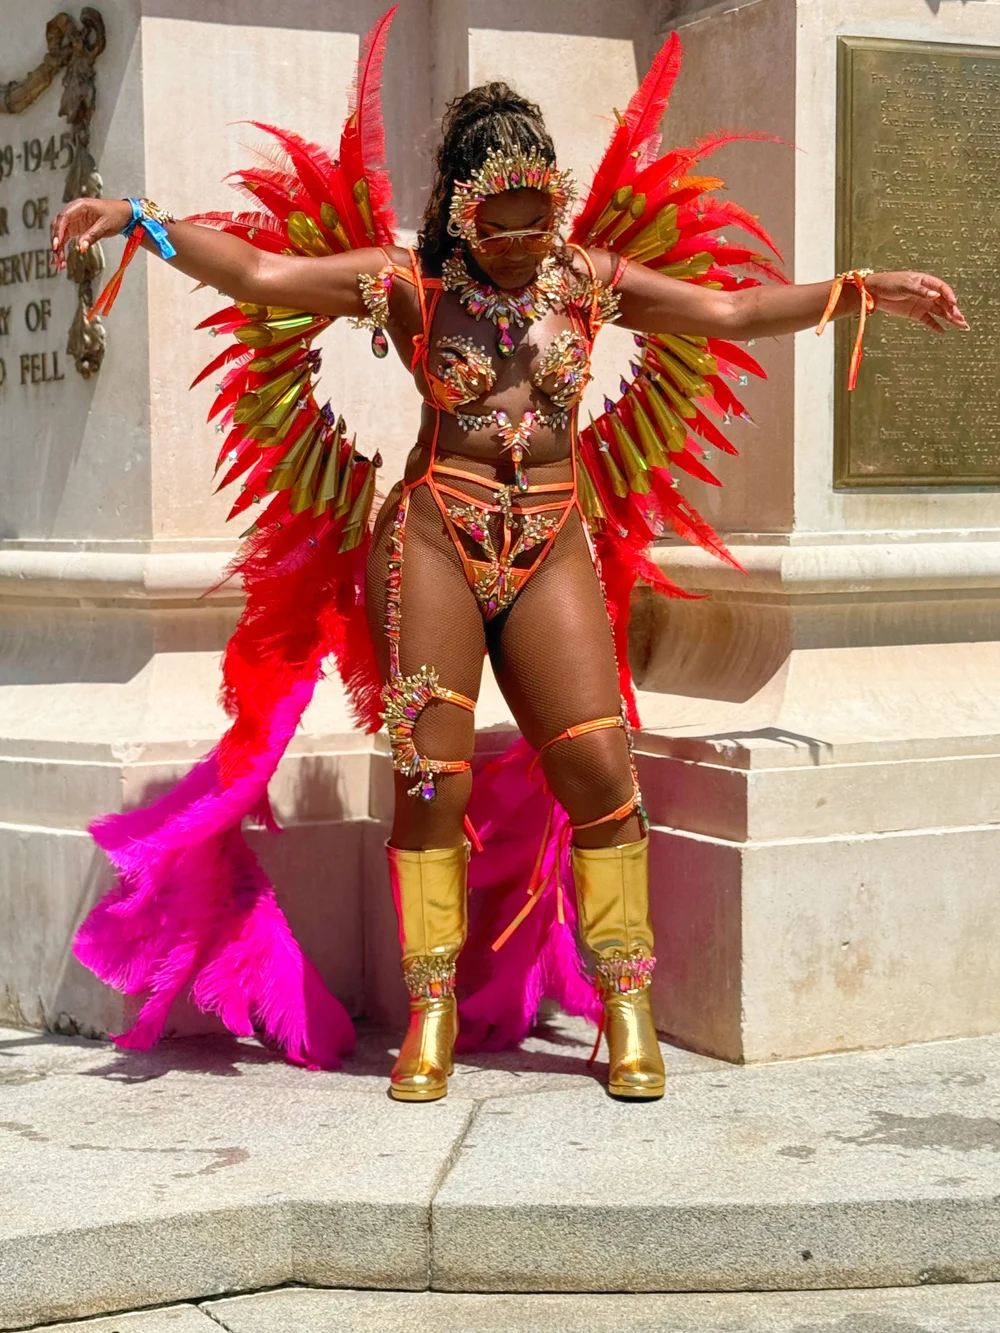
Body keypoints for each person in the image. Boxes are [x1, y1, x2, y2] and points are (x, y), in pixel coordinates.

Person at [52, 11, 966, 1104]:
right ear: (462, 209)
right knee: (430, 780)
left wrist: (856, 290)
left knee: (601, 772)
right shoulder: (409, 284)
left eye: (542, 216)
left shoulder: (587, 281)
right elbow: (257, 271)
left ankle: (625, 1004)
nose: (527, 239)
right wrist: (142, 221)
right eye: (504, 221)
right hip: (435, 541)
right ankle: (430, 1010)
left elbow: (727, 309)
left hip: (549, 542)